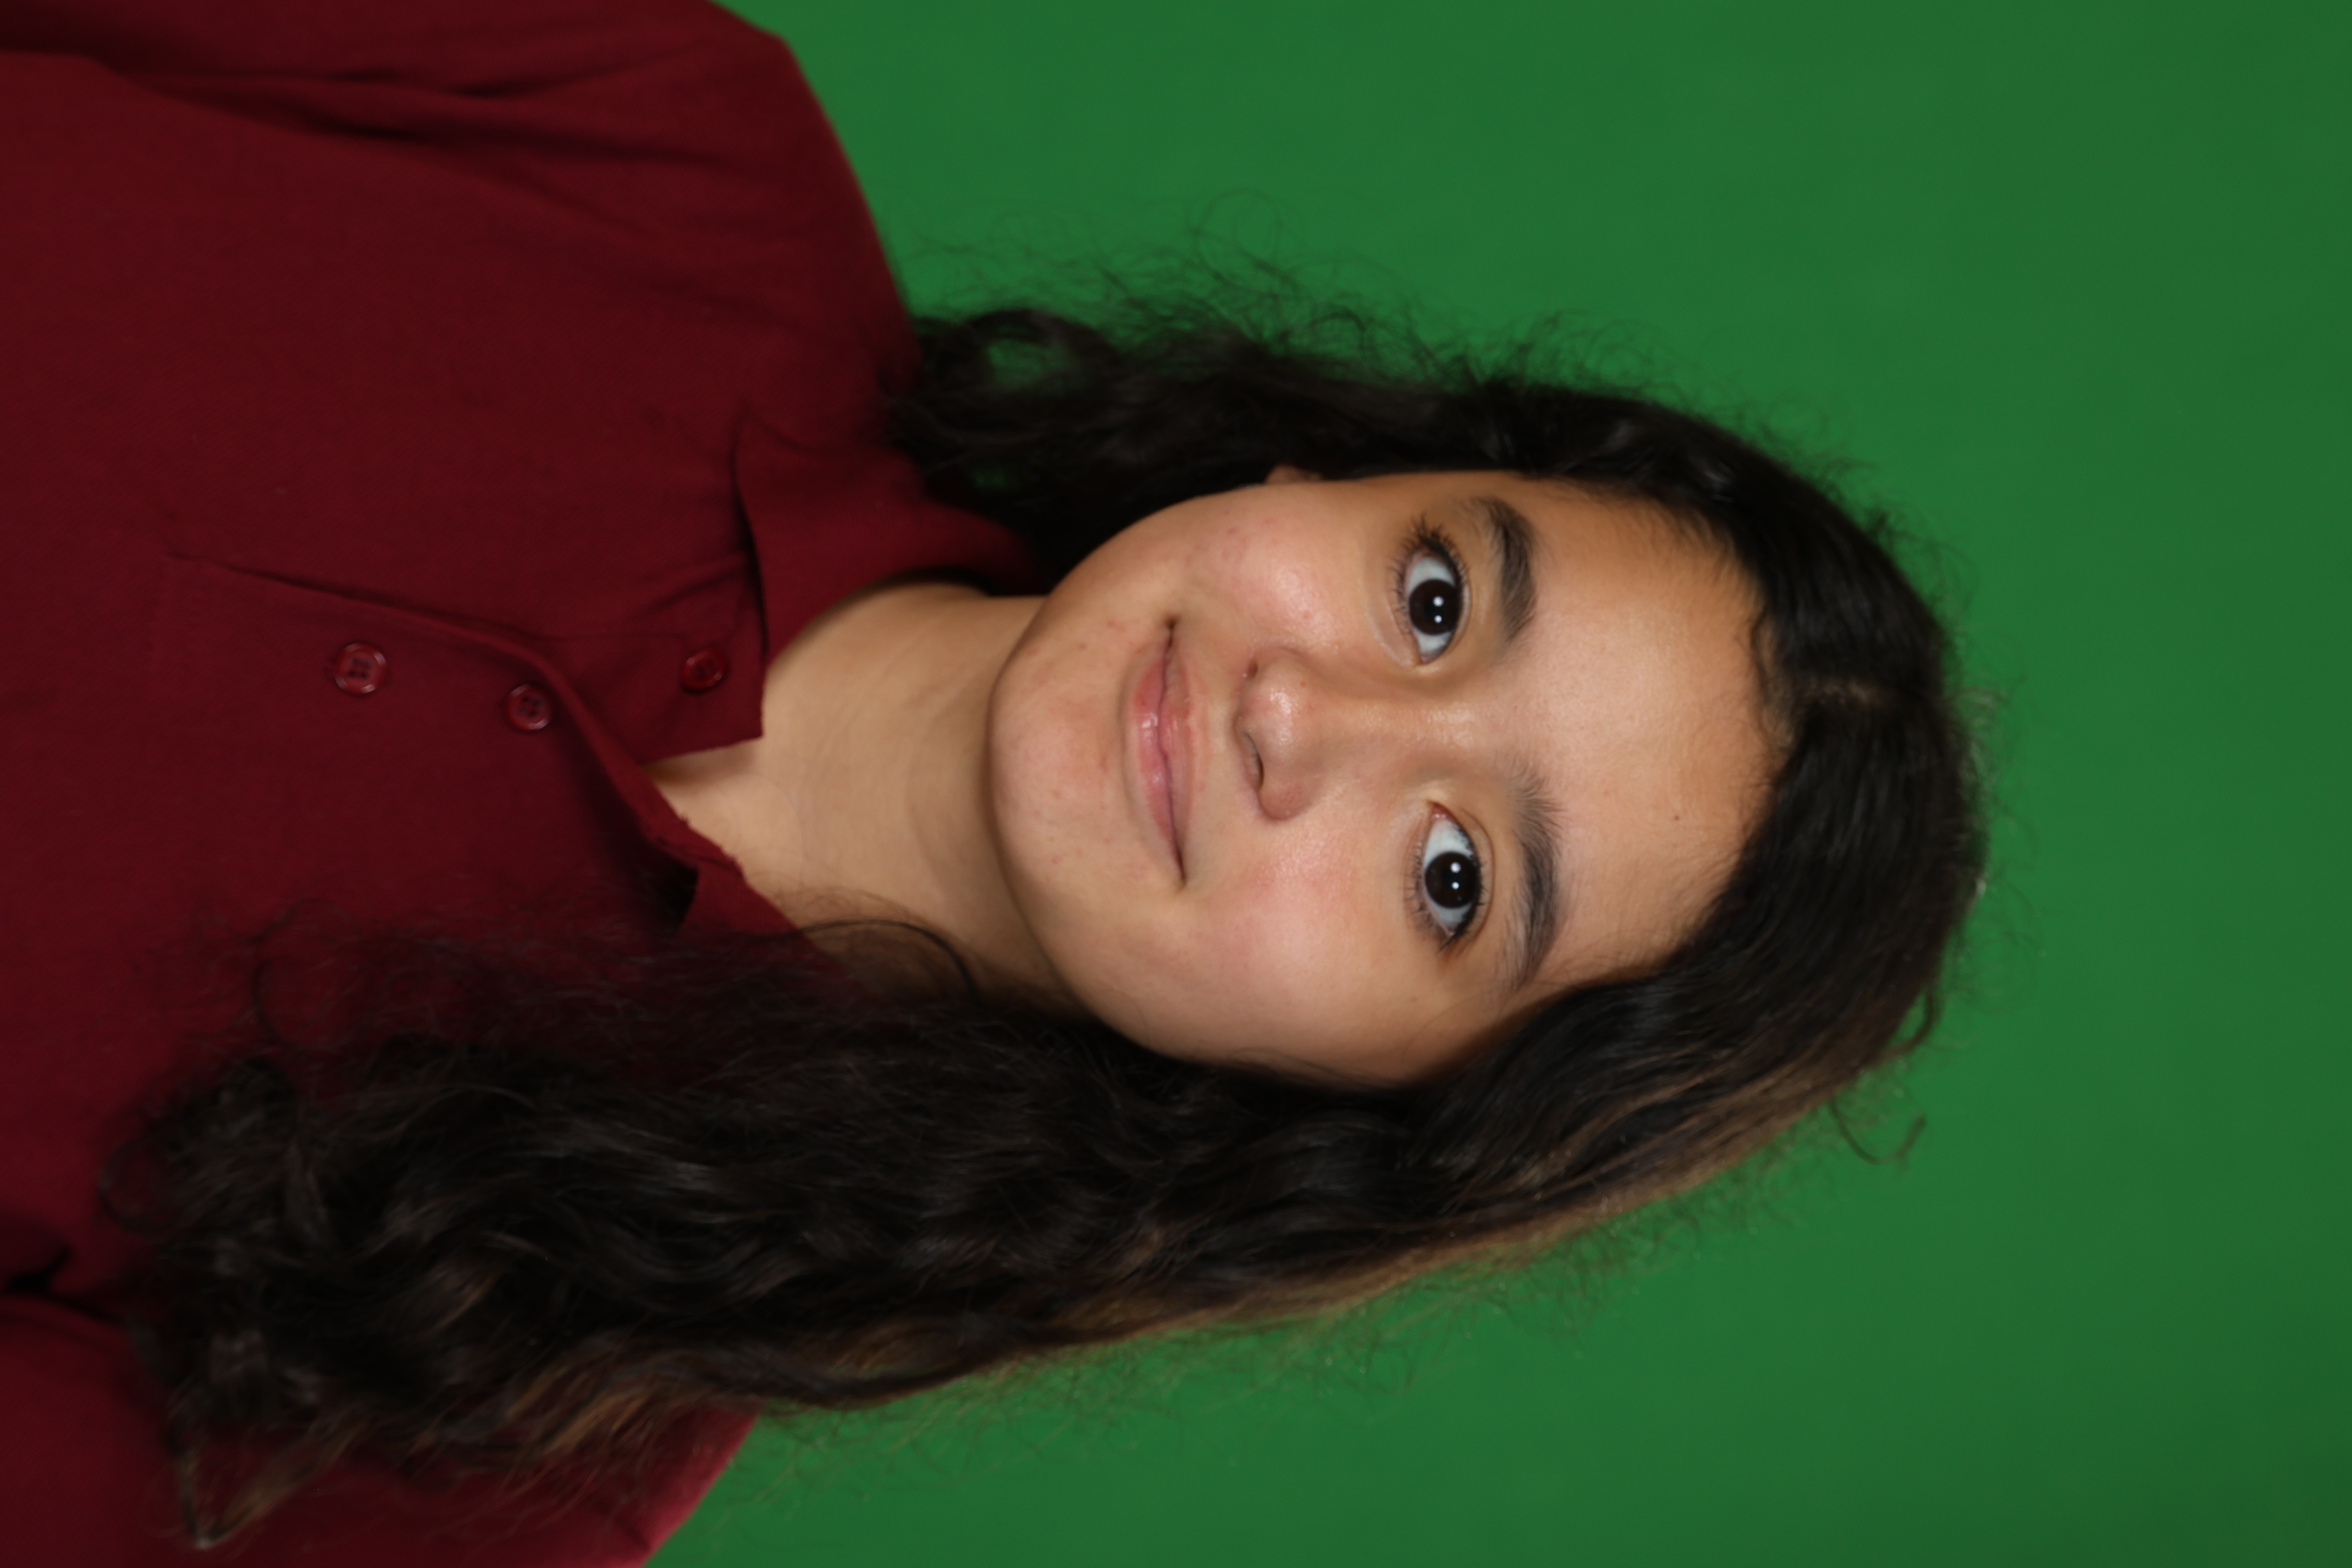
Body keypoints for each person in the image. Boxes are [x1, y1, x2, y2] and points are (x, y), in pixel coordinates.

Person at [0, 0, 1982, 1563]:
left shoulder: (505, 1424)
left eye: (1453, 876)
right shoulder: (677, 146)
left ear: (1383, 1108)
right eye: (1437, 596)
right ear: (1340, 472)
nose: (1305, 718)